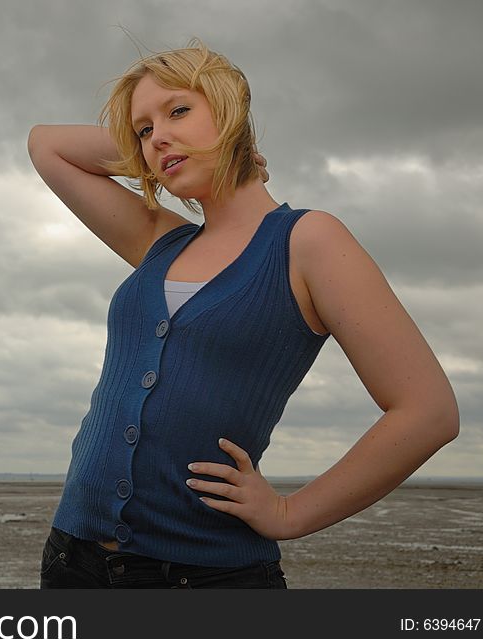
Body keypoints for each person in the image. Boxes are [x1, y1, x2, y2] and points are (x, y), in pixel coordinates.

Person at [26, 38, 459, 589]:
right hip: (74, 561)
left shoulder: (306, 241)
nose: (157, 135)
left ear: (230, 112)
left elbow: (429, 410)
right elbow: (46, 145)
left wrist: (290, 513)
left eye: (179, 109)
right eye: (142, 130)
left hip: (202, 576)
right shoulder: (161, 241)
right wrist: (161, 150)